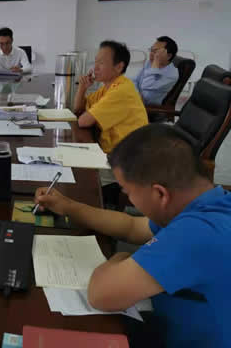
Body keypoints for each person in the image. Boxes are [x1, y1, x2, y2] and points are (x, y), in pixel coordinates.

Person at [34, 124, 231, 348]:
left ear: (160, 194)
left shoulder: (197, 233)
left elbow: (101, 294)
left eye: (128, 192)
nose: (130, 200)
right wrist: (68, 206)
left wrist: (123, 257)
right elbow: (131, 227)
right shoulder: (211, 204)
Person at [73, 40, 148, 154]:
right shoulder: (109, 87)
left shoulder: (121, 91)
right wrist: (82, 88)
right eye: (95, 61)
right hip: (115, 151)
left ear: (119, 67)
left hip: (127, 157)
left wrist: (87, 115)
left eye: (101, 63)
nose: (95, 68)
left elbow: (83, 121)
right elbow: (78, 109)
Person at [133, 36, 179, 105]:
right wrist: (136, 93)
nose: (151, 54)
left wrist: (156, 62)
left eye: (155, 51)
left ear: (169, 56)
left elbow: (146, 87)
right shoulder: (149, 63)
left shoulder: (172, 75)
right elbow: (135, 80)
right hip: (135, 99)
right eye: (151, 50)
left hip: (148, 107)